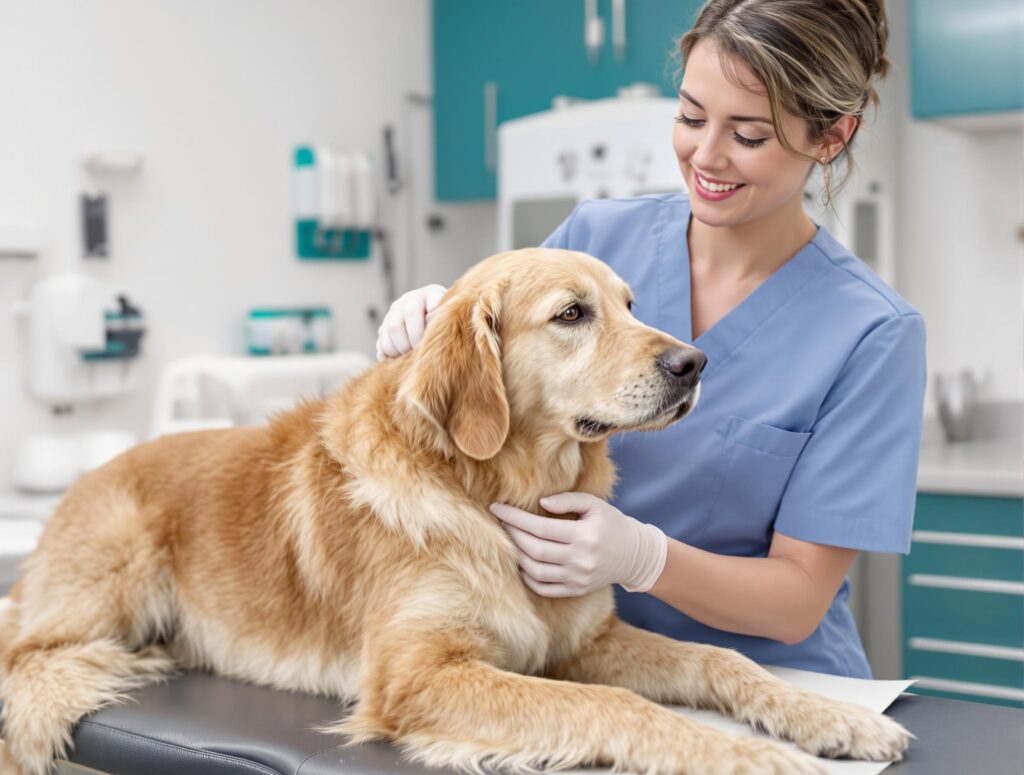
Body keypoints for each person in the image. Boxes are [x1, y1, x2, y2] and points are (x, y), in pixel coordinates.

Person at [375, 0, 925, 679]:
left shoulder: (871, 333)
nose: (706, 154)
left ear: (832, 137)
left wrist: (644, 557)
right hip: (578, 667)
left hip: (775, 684)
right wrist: (441, 321)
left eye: (748, 135)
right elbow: (486, 421)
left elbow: (798, 599)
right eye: (691, 116)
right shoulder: (596, 241)